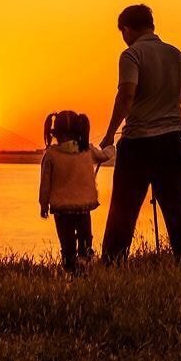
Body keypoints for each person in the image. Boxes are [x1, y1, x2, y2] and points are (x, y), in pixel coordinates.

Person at [99, 4, 181, 269]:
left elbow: (127, 94)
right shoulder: (176, 54)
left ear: (127, 29)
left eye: (122, 31)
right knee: (178, 208)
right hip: (174, 139)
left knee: (123, 209)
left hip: (139, 141)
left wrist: (109, 133)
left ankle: (112, 266)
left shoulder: (131, 55)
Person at [39, 110, 115, 274]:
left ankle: (70, 271)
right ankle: (84, 265)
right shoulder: (87, 149)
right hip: (83, 206)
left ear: (55, 134)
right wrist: (111, 146)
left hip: (61, 210)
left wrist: (43, 205)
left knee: (67, 243)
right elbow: (105, 155)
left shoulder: (51, 155)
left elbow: (45, 184)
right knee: (85, 239)